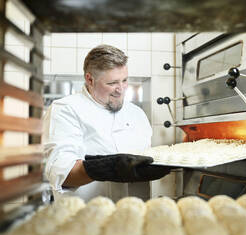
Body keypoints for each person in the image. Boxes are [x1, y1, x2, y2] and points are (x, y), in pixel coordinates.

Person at [43, 45, 170, 201]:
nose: (121, 89)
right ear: (90, 79)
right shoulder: (65, 110)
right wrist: (105, 168)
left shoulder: (137, 114)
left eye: (124, 80)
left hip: (134, 216)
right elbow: (62, 175)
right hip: (85, 218)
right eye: (112, 83)